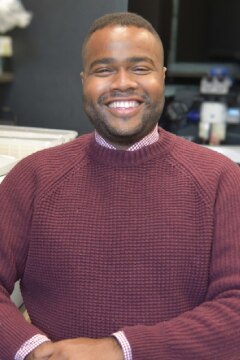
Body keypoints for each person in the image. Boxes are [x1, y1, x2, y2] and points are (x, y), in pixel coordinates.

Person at [0, 11, 240, 360]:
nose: (123, 82)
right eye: (104, 69)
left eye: (140, 68)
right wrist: (33, 351)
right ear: (84, 81)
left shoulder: (221, 179)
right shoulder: (33, 177)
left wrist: (119, 350)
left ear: (162, 77)